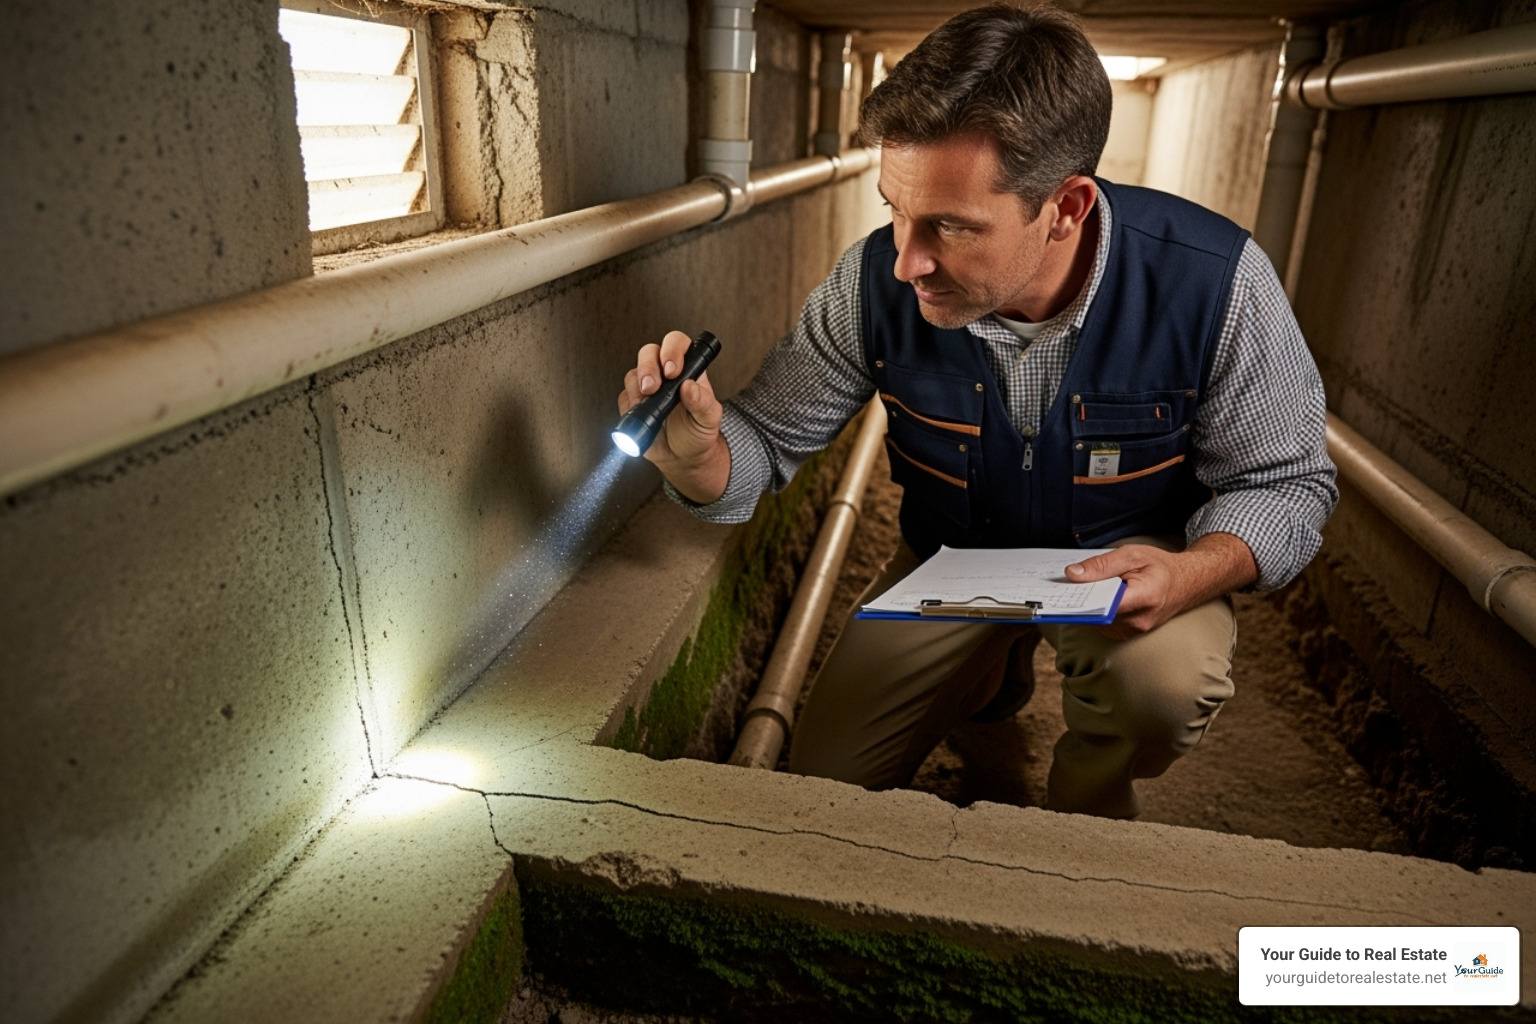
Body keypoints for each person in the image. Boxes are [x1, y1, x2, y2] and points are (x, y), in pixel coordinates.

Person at [616, 2, 1337, 818]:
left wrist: (1191, 571)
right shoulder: (869, 285)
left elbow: (1286, 484)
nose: (906, 261)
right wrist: (703, 456)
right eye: (894, 209)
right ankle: (991, 672)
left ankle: (1080, 827)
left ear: (1064, 207)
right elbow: (765, 443)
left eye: (950, 228)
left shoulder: (1217, 281)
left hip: (1121, 571)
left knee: (1163, 691)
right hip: (951, 568)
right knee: (823, 786)